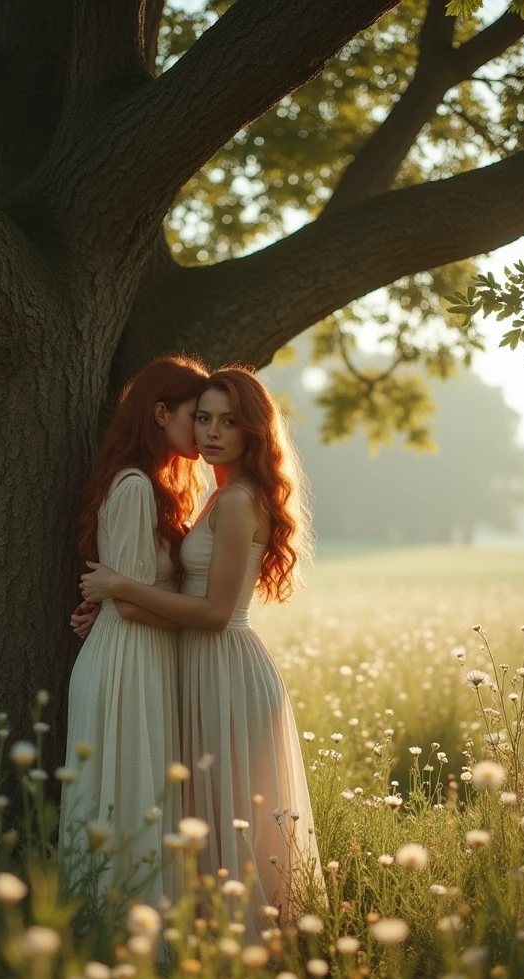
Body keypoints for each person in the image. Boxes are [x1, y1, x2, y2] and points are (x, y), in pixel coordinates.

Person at [81, 366, 322, 935]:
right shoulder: (218, 496)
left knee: (233, 820)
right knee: (207, 818)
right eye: (206, 418)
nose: (212, 432)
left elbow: (216, 613)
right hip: (197, 664)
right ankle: (213, 946)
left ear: (252, 432)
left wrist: (119, 589)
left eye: (228, 421)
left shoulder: (238, 500)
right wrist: (112, 605)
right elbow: (181, 593)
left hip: (226, 667)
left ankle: (256, 956)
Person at [59, 355, 208, 911]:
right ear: (161, 411)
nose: (203, 430)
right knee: (127, 794)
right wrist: (213, 620)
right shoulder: (135, 488)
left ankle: (136, 923)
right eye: (196, 415)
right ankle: (117, 927)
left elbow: (125, 591)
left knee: (140, 795)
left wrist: (113, 602)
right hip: (128, 661)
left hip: (139, 652)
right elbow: (128, 598)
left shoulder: (153, 486)